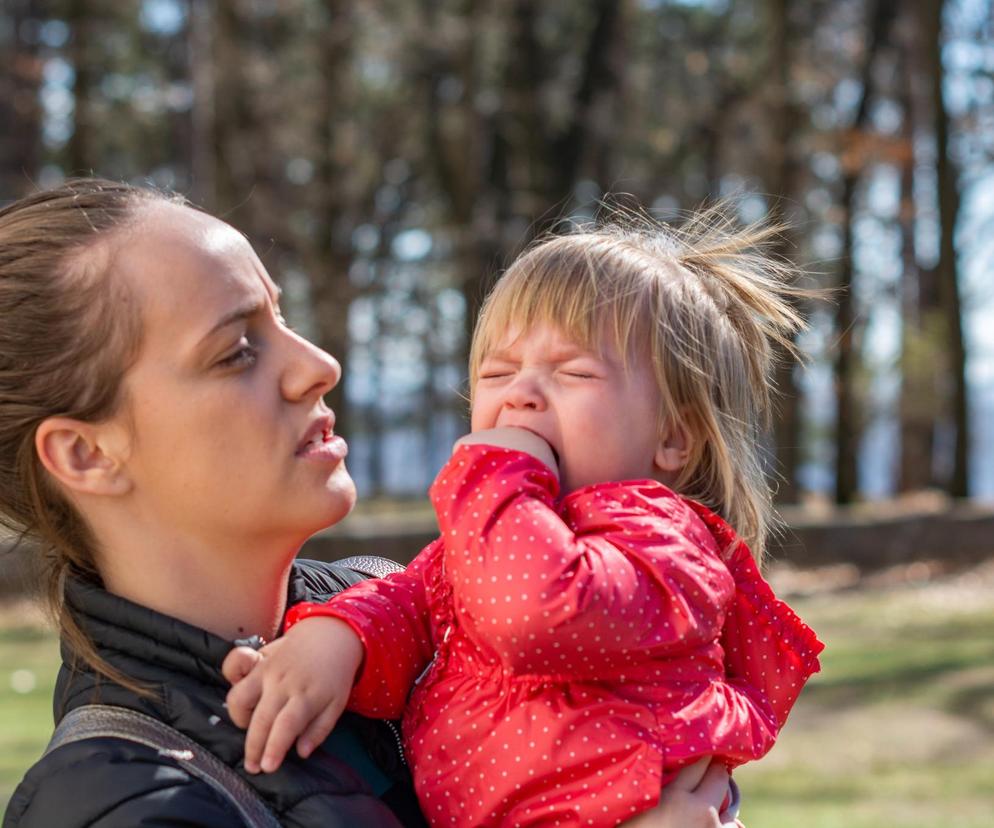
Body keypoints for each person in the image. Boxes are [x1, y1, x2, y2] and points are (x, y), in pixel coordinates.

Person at [0, 178, 741, 828]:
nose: (320, 367)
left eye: (280, 318)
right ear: (86, 454)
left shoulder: (395, 612)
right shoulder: (115, 803)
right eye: (236, 352)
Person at [223, 208, 825, 826]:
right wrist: (338, 640)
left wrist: (494, 471)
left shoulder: (662, 539)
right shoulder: (503, 532)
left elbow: (535, 612)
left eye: (574, 373)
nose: (521, 394)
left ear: (674, 436)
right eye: (498, 372)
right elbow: (409, 603)